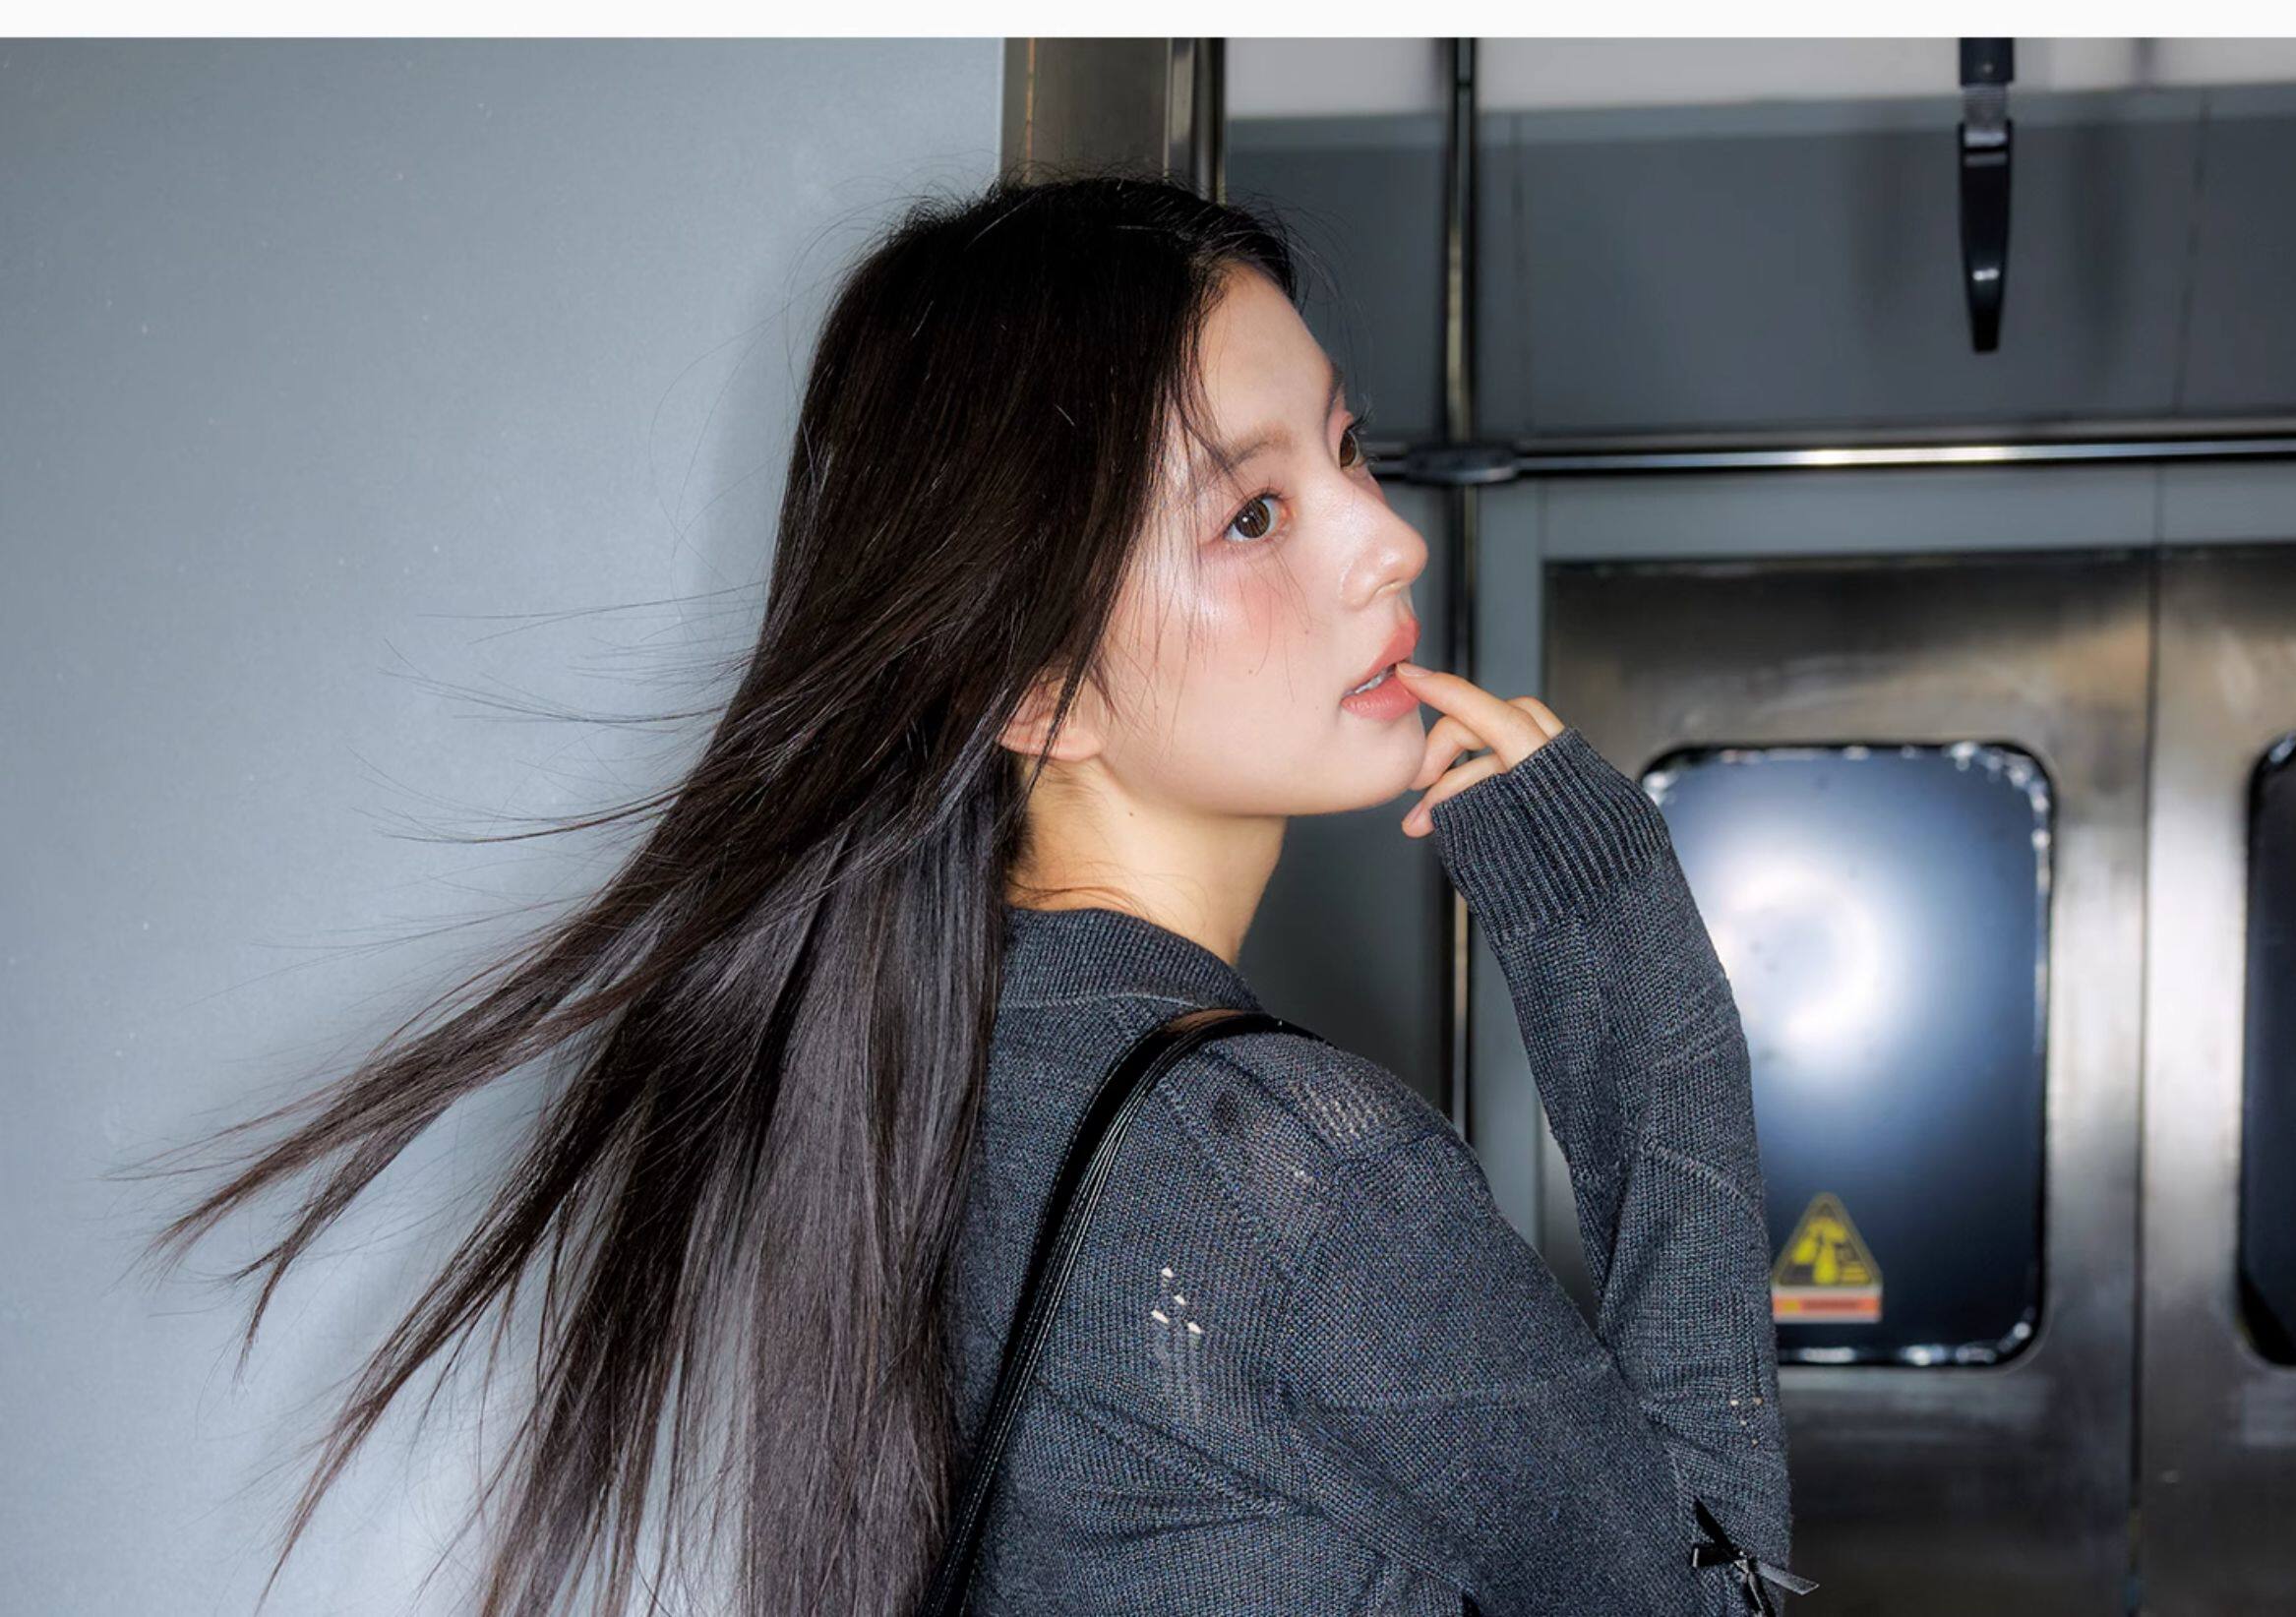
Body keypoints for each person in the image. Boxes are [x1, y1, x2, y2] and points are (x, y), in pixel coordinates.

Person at [123, 168, 1801, 1616]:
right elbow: (1708, 1589)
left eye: (1347, 451)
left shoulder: (914, 1091)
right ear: (1035, 687)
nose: (1388, 541)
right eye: (1254, 513)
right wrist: (1622, 943)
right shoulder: (1288, 1176)